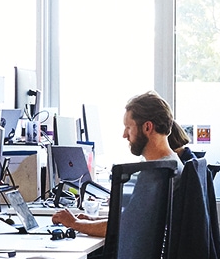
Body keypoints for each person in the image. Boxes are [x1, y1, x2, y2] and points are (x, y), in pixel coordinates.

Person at [52, 91, 179, 239]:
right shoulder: (172, 164)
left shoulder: (155, 173)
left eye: (128, 127)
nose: (124, 135)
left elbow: (124, 228)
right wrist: (91, 221)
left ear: (147, 127)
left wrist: (74, 223)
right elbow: (130, 221)